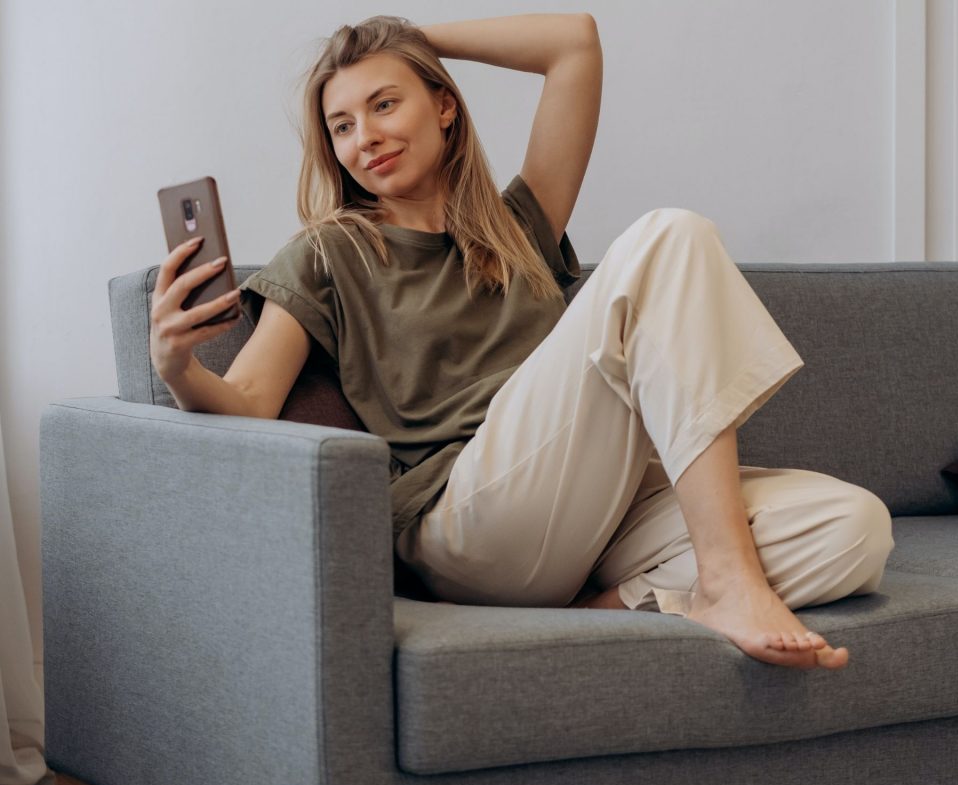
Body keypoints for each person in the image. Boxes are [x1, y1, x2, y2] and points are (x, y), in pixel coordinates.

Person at [149, 13, 895, 671]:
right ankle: (729, 582)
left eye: (384, 103)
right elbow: (248, 403)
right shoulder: (328, 253)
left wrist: (415, 41)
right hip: (468, 521)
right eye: (341, 125)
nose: (365, 137)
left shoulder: (516, 227)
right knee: (671, 236)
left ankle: (625, 609)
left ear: (444, 106)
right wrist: (176, 365)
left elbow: (574, 42)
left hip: (590, 516)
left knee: (854, 530)